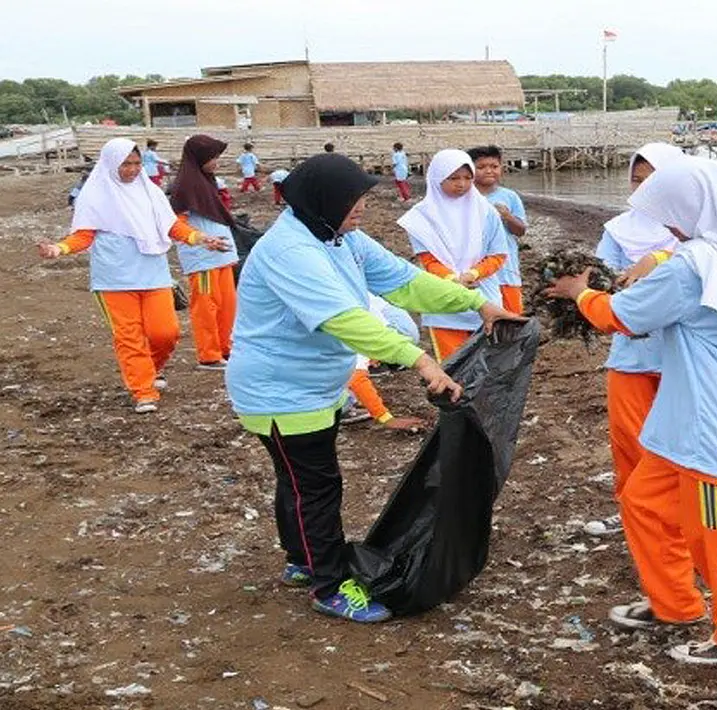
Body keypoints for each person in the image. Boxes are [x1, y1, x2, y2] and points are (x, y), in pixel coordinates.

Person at [225, 153, 521, 623]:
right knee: (315, 486)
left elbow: (405, 283)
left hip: (313, 386)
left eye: (362, 197)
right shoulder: (291, 252)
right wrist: (421, 360)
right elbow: (346, 321)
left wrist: (476, 304)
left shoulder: (342, 238)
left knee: (300, 481)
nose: (361, 207)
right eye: (353, 199)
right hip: (280, 391)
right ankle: (327, 584)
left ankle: (302, 560)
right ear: (321, 200)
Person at [545, 157, 717, 664]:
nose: (667, 224)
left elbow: (623, 316)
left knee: (714, 527)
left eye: (669, 212)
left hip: (715, 414)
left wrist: (579, 292)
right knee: (644, 500)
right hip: (693, 405)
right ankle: (676, 603)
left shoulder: (692, 266)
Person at [37, 138, 228, 412]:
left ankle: (150, 368)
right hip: (113, 279)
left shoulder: (150, 192)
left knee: (166, 333)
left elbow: (172, 226)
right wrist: (59, 248)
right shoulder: (94, 196)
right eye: (125, 164)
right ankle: (144, 391)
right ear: (111, 164)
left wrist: (199, 238)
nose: (133, 169)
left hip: (153, 274)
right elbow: (83, 235)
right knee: (129, 336)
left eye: (137, 163)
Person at [581, 142, 683, 538]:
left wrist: (654, 262)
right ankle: (633, 509)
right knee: (628, 435)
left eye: (653, 181)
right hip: (632, 346)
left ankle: (671, 510)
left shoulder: (699, 229)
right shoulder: (619, 229)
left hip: (682, 350)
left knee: (677, 436)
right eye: (637, 181)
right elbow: (600, 275)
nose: (644, 190)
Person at [397, 149, 508, 361]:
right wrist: (452, 280)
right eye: (454, 178)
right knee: (452, 364)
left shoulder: (486, 211)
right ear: (437, 178)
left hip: (484, 296)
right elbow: (428, 260)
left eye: (468, 178)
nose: (462, 184)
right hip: (443, 301)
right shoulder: (421, 217)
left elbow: (499, 255)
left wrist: (473, 274)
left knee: (488, 361)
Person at [168, 135, 240, 370]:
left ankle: (226, 348)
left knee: (227, 304)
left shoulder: (207, 183)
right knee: (207, 306)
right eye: (213, 157)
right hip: (203, 258)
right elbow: (177, 223)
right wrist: (201, 240)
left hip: (222, 255)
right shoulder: (185, 187)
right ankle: (209, 354)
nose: (216, 161)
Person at [342, 294, 426, 430]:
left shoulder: (373, 318)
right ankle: (340, 406)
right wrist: (387, 418)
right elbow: (356, 378)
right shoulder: (359, 336)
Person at [468, 145, 526, 314]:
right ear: (471, 169)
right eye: (481, 167)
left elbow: (521, 231)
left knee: (512, 315)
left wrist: (508, 217)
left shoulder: (509, 196)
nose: (488, 171)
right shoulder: (465, 197)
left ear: (501, 168)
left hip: (506, 269)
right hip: (475, 269)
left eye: (494, 166)